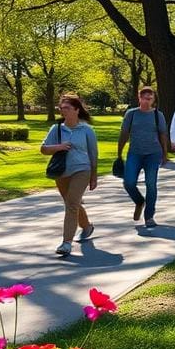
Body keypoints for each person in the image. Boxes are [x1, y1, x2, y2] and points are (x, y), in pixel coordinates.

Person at [41, 93, 98, 256]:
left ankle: (66, 243)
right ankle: (86, 226)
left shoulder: (87, 130)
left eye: (67, 108)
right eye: (61, 108)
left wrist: (93, 176)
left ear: (77, 110)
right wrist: (59, 147)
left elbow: (93, 154)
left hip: (82, 169)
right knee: (71, 203)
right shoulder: (56, 128)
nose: (62, 111)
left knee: (72, 204)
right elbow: (44, 149)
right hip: (61, 171)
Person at [117, 86, 168, 228]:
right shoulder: (131, 114)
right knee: (128, 183)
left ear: (153, 99)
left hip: (153, 154)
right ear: (139, 98)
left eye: (150, 98)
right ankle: (139, 201)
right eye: (144, 98)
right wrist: (119, 152)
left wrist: (164, 153)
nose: (147, 100)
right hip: (135, 153)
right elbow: (124, 133)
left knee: (151, 184)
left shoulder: (158, 115)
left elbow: (163, 134)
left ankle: (149, 216)